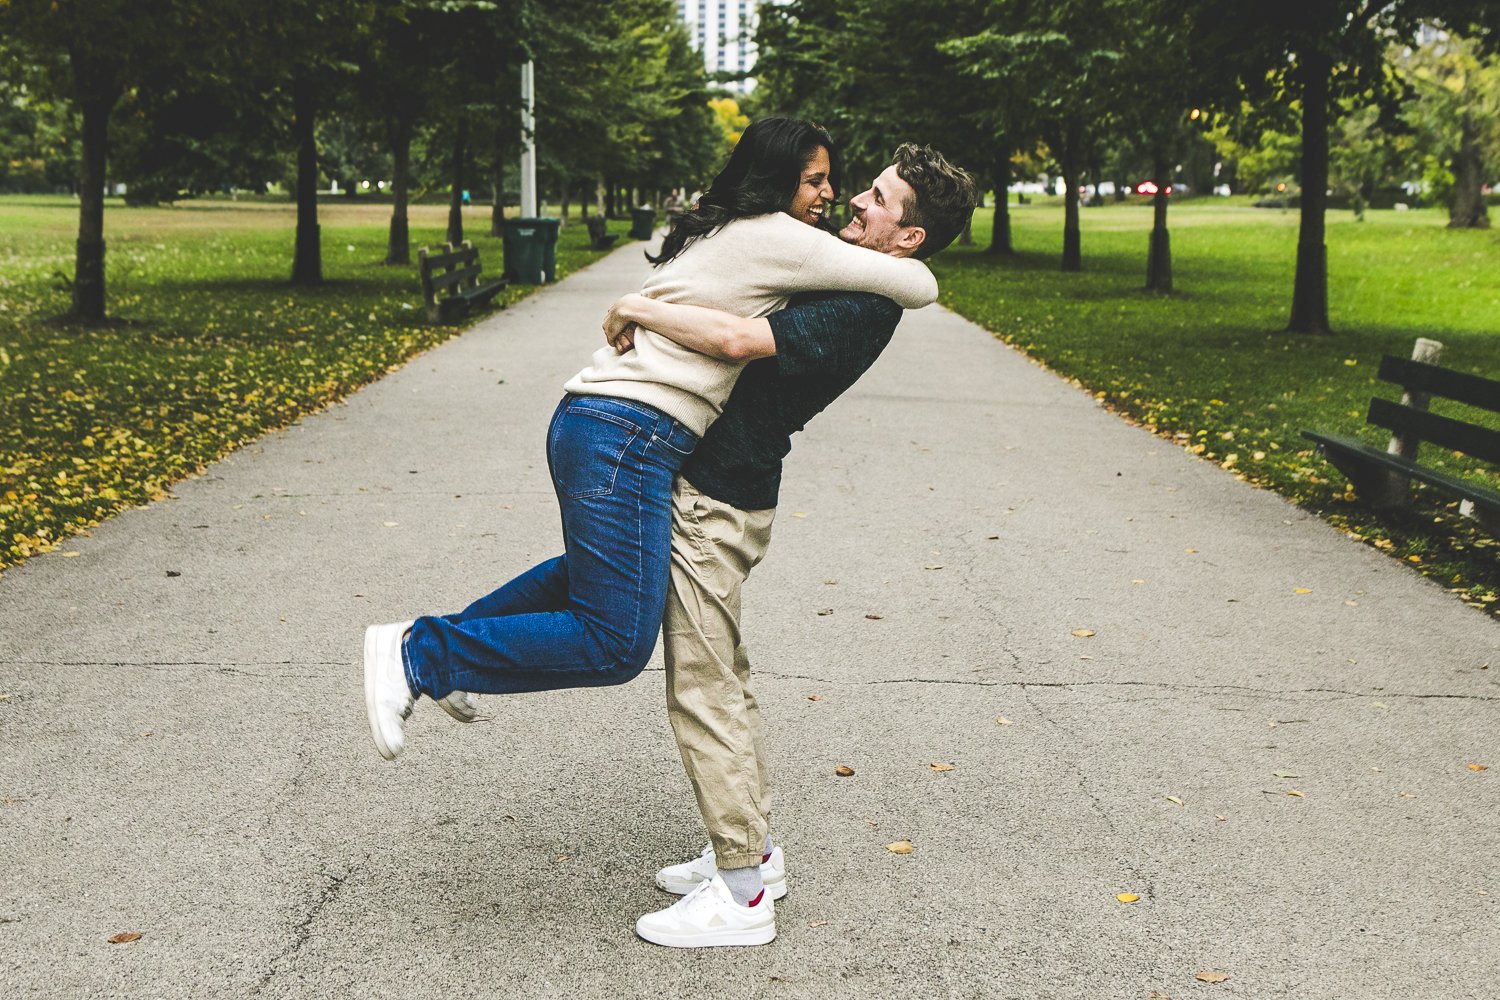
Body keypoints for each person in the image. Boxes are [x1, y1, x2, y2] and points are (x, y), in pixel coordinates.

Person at [362, 118, 938, 765]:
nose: (833, 194)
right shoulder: (781, 236)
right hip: (629, 431)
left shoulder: (729, 228)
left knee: (600, 577)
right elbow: (920, 285)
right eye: (815, 180)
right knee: (614, 641)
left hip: (601, 420)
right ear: (778, 181)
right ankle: (420, 654)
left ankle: (447, 653)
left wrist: (638, 307)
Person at [600, 144, 979, 948]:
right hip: (723, 488)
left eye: (877, 200)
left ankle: (740, 898)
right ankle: (754, 855)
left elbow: (738, 341)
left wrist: (640, 308)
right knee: (723, 674)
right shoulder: (857, 275)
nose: (855, 203)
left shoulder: (862, 305)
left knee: (701, 687)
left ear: (907, 237)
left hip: (719, 497)